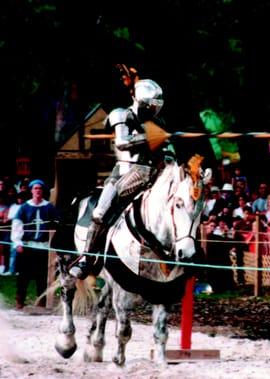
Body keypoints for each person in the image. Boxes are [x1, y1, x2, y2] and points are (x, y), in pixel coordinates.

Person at [69, 78, 172, 279]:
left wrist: (169, 150)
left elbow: (167, 151)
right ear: (142, 102)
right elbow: (123, 143)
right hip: (127, 172)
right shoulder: (122, 115)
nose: (155, 109)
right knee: (100, 212)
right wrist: (150, 137)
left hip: (154, 173)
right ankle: (86, 259)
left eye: (157, 105)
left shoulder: (158, 124)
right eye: (152, 104)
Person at [11, 179, 60, 309]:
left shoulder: (49, 207)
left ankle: (41, 301)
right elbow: (17, 226)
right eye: (35, 188)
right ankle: (20, 300)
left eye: (40, 188)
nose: (38, 191)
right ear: (32, 190)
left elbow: (56, 225)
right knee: (23, 276)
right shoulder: (24, 208)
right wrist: (18, 243)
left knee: (42, 276)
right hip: (27, 246)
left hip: (43, 247)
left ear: (43, 191)